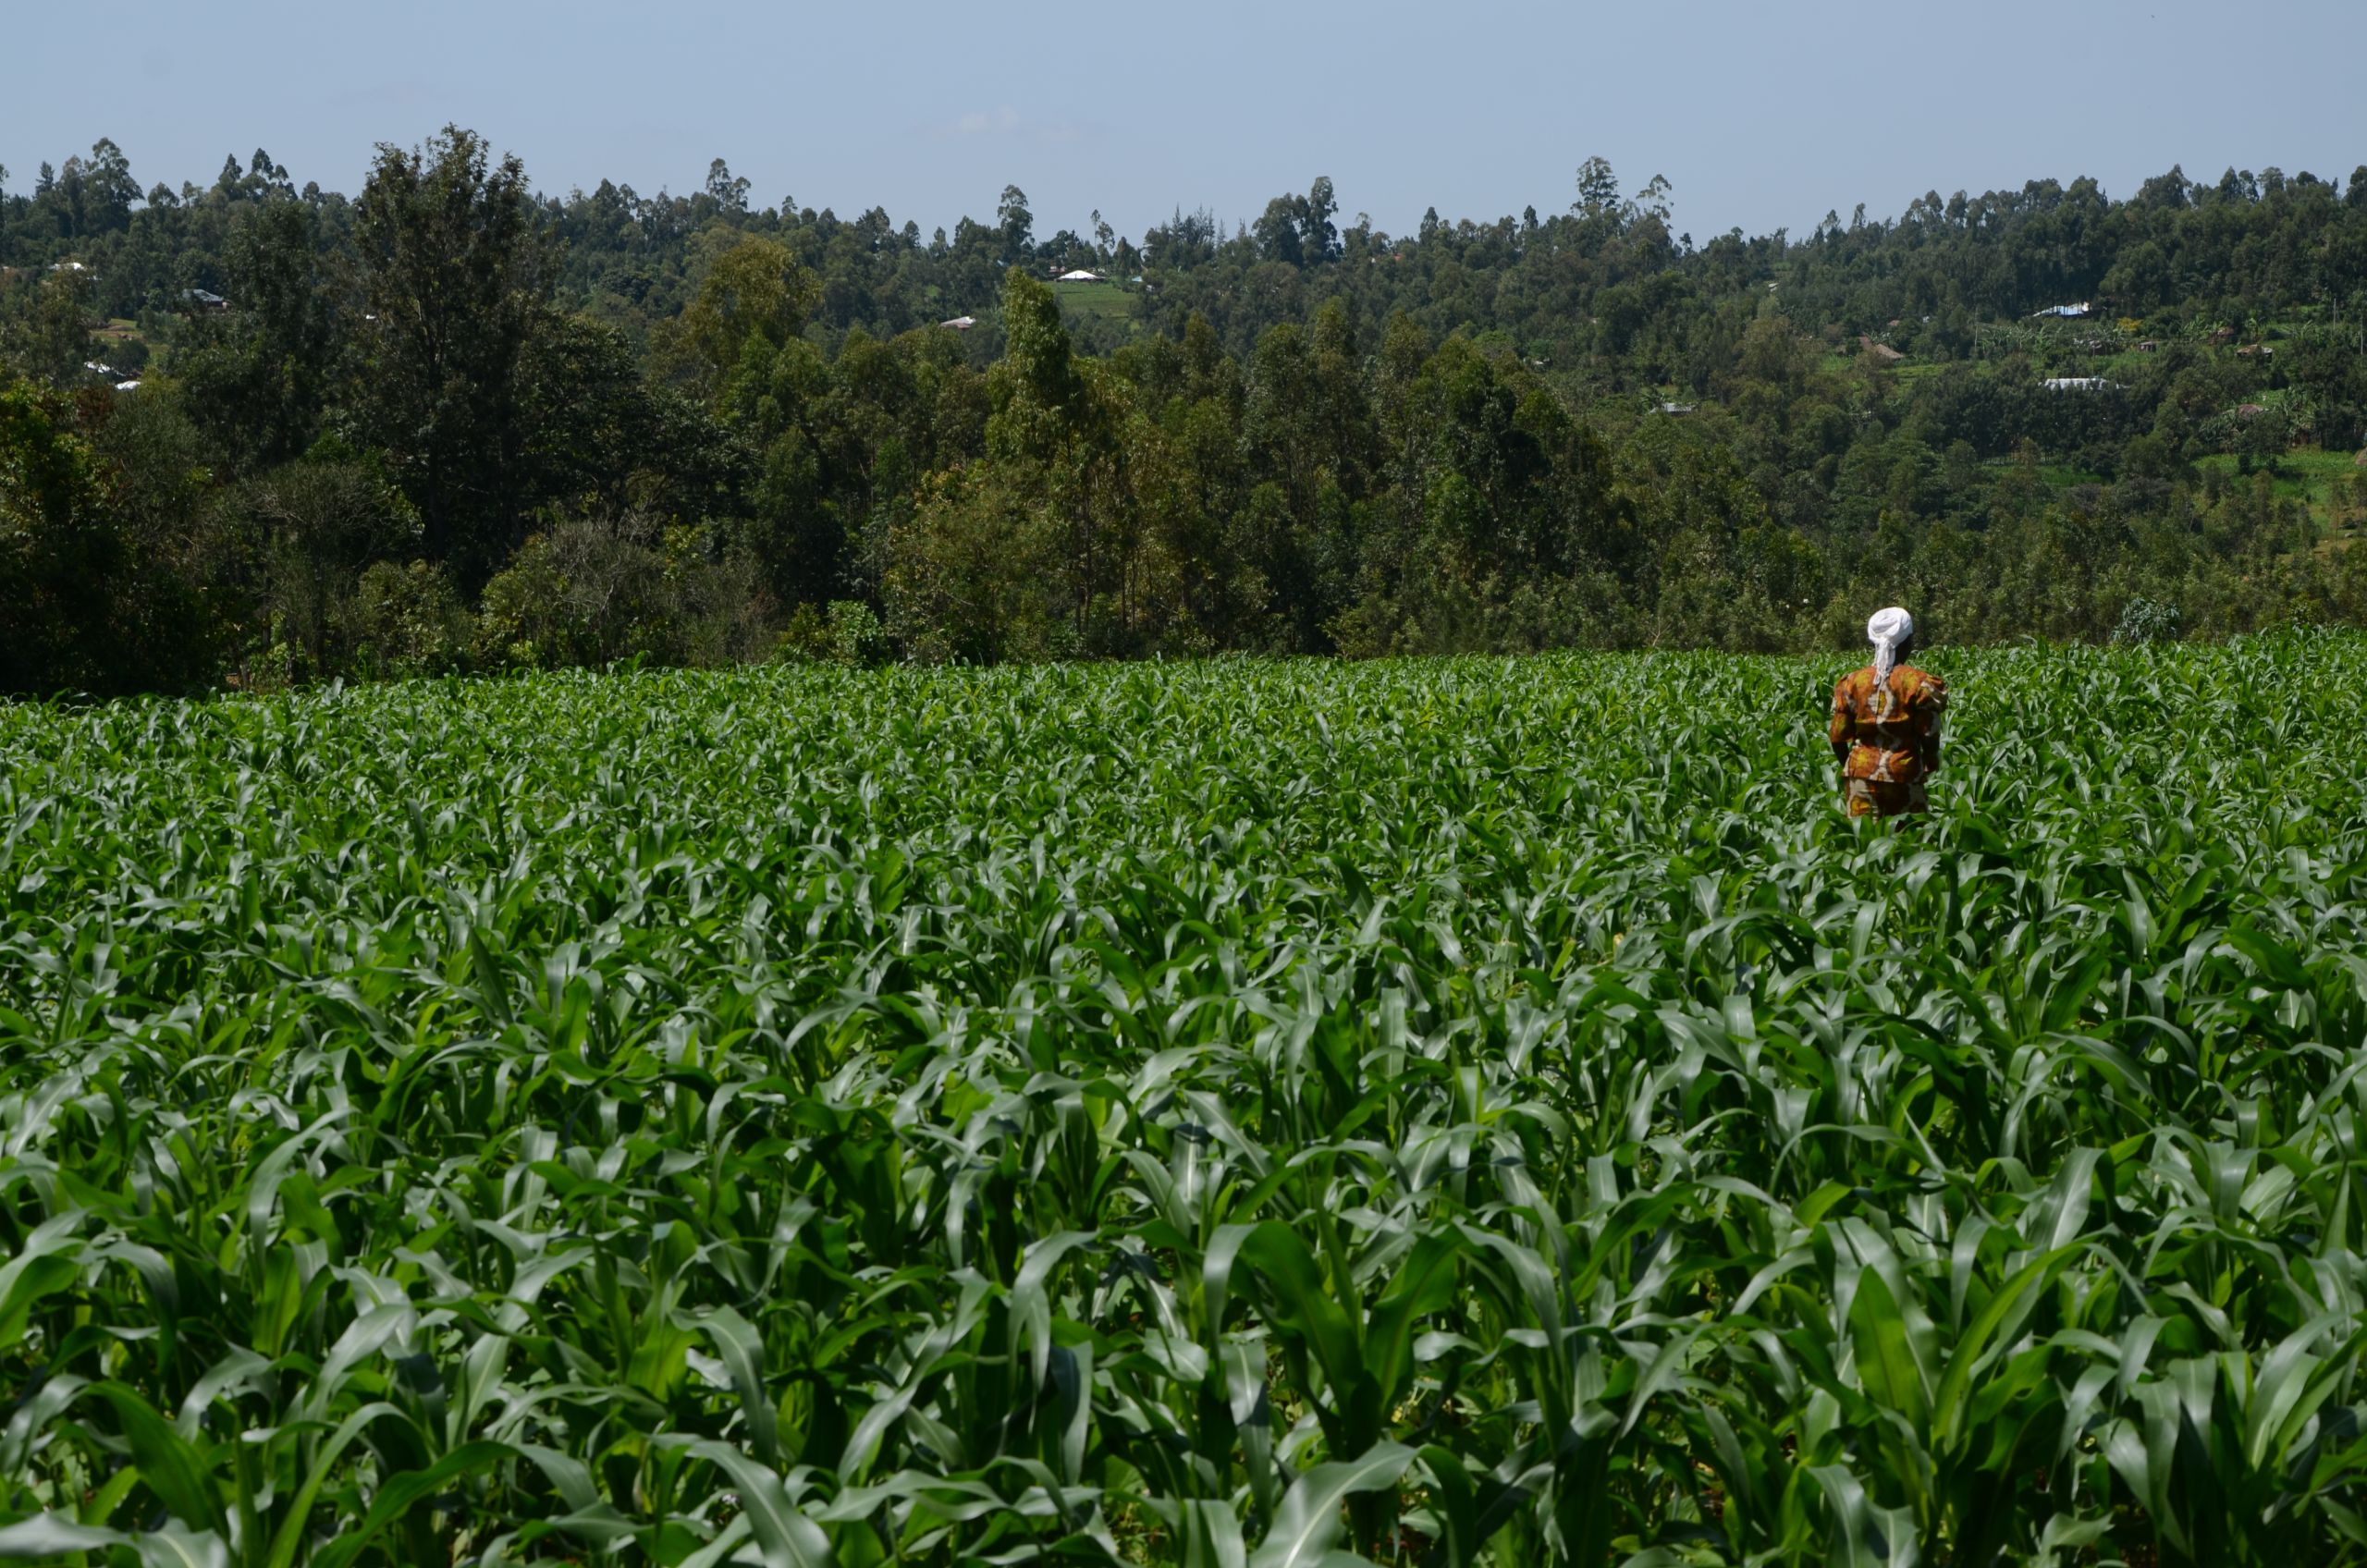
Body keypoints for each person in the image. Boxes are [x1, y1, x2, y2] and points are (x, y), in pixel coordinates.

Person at [1829, 606, 1945, 818]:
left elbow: (1837, 737)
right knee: (1908, 842)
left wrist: (1854, 767)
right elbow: (1929, 734)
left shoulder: (1853, 682)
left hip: (1860, 778)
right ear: (1908, 642)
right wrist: (1930, 762)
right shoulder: (1918, 684)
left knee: (1865, 845)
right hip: (1904, 775)